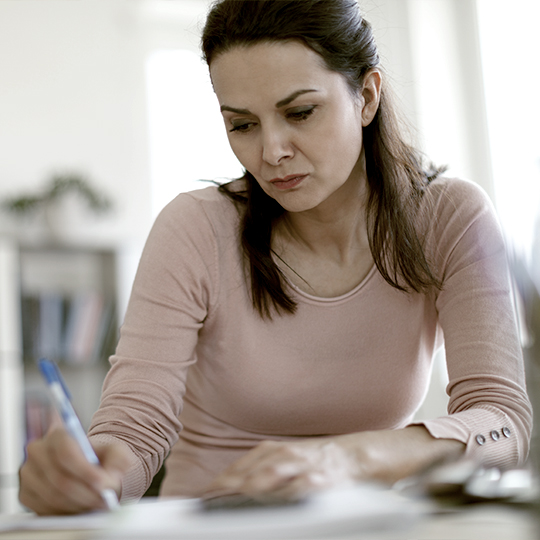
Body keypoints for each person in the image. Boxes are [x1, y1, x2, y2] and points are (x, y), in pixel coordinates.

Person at [19, 0, 532, 515]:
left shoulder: (451, 218)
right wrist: (93, 475)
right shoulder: (195, 228)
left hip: (372, 527)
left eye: (300, 112)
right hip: (210, 527)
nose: (272, 152)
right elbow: (134, 428)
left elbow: (503, 422)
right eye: (242, 125)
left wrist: (349, 458)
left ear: (367, 97)